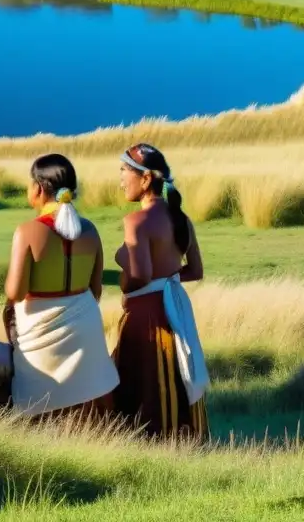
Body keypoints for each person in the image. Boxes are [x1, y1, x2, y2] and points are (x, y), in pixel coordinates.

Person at [4, 154, 119, 419]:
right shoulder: (90, 230)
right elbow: (96, 289)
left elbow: (15, 293)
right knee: (89, 402)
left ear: (39, 188)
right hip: (85, 329)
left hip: (40, 333)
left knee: (40, 404)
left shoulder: (28, 231)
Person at [112, 143, 210, 439]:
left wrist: (125, 286)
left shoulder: (136, 222)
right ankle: (186, 438)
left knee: (142, 379)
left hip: (146, 314)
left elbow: (139, 276)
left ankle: (148, 440)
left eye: (124, 171)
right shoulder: (181, 218)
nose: (120, 179)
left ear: (144, 180)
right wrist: (167, 279)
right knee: (176, 372)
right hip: (175, 307)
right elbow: (195, 271)